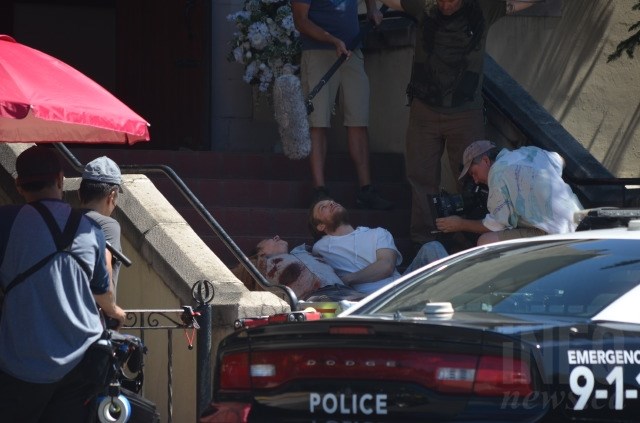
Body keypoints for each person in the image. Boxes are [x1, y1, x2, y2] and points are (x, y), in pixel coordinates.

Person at [375, 0, 537, 245]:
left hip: (465, 111)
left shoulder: (484, 7)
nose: (445, 3)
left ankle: (471, 241)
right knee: (421, 176)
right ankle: (424, 243)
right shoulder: (425, 6)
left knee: (474, 180)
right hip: (424, 109)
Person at [0, 146, 126, 422]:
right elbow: (103, 293)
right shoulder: (92, 229)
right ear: (60, 180)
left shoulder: (7, 222)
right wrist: (117, 313)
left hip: (22, 362)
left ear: (19, 185)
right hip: (80, 363)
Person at [292, 0, 394, 210]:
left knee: (358, 119)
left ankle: (366, 189)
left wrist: (373, 9)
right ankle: (319, 190)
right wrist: (331, 40)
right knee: (317, 122)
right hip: (318, 51)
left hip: (352, 50)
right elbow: (300, 21)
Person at [435, 140, 584, 245]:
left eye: (474, 173)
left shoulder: (497, 175)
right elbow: (561, 160)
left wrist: (460, 224)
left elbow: (495, 226)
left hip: (557, 236)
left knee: (485, 242)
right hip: (580, 220)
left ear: (486, 161)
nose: (475, 180)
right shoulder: (528, 152)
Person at [309, 198, 448, 294]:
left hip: (403, 288)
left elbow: (386, 265)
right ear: (321, 226)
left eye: (332, 202)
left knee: (432, 247)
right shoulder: (320, 248)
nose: (331, 203)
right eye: (323, 207)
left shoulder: (378, 233)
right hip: (369, 300)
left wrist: (349, 279)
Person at [79, 156, 124, 294]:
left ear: (79, 193)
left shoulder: (64, 219)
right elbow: (103, 275)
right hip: (91, 311)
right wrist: (113, 310)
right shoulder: (107, 225)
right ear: (112, 196)